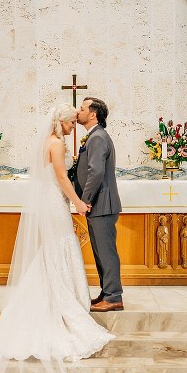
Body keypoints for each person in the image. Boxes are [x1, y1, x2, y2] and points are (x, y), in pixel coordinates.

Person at [0, 104, 114, 373]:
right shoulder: (56, 144)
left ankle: (49, 292)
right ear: (61, 122)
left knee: (52, 251)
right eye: (70, 123)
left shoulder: (46, 142)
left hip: (49, 201)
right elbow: (61, 178)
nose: (73, 127)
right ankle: (61, 298)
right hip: (54, 203)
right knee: (61, 246)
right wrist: (78, 202)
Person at [75, 97, 124, 312]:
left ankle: (114, 297)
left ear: (93, 114)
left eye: (82, 108)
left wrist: (85, 200)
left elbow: (95, 172)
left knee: (106, 252)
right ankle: (106, 293)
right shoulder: (95, 136)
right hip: (99, 204)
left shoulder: (97, 137)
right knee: (99, 252)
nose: (78, 111)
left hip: (101, 203)